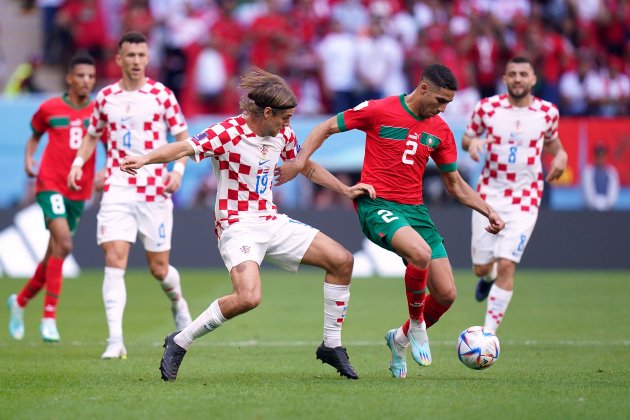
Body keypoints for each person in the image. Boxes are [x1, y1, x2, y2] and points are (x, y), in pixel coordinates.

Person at [120, 67, 376, 381]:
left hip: (271, 221)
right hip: (236, 224)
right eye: (284, 118)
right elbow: (184, 147)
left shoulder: (281, 133)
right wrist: (145, 159)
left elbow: (304, 166)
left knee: (342, 260)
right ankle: (180, 340)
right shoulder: (227, 132)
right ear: (267, 112)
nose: (288, 124)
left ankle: (331, 345)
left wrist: (345, 189)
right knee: (248, 297)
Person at [275, 64, 505, 379]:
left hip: (415, 212)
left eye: (448, 103)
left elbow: (454, 185)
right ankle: (418, 326)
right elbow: (325, 127)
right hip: (376, 204)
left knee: (447, 294)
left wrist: (487, 209)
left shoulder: (439, 130)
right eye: (440, 100)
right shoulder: (378, 110)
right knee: (420, 254)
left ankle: (398, 339)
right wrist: (300, 161)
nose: (443, 108)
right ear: (423, 88)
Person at [67, 31, 192, 359]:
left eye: (141, 55)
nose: (136, 61)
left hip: (155, 189)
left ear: (147, 59)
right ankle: (115, 339)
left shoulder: (162, 95)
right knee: (114, 259)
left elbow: (184, 140)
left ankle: (178, 302)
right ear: (119, 59)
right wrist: (79, 163)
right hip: (118, 186)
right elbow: (92, 136)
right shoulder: (105, 97)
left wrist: (177, 172)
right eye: (130, 56)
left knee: (159, 269)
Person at [461, 56, 567, 333]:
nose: (518, 79)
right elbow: (466, 138)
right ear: (505, 79)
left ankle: (487, 336)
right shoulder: (486, 108)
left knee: (508, 263)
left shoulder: (547, 112)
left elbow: (555, 145)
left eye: (523, 74)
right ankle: (488, 276)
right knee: (481, 268)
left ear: (533, 79)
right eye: (512, 74)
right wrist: (473, 145)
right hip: (488, 195)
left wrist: (562, 156)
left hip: (526, 197)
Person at [7, 53, 97, 342]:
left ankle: (19, 302)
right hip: (50, 184)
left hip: (79, 190)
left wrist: (108, 172)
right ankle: (49, 316)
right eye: (81, 75)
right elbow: (34, 134)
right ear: (69, 78)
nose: (86, 81)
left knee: (53, 255)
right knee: (65, 244)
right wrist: (29, 158)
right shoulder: (50, 108)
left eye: (91, 77)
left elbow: (109, 144)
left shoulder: (98, 112)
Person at [582, 142, 619, 211]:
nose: (600, 158)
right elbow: (588, 196)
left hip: (609, 212)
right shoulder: (588, 172)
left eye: (602, 155)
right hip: (591, 212)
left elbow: (613, 196)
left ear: (606, 156)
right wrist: (597, 204)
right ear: (594, 156)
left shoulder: (612, 172)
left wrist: (605, 204)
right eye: (598, 155)